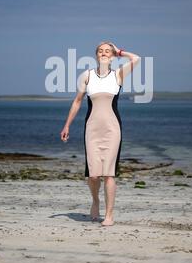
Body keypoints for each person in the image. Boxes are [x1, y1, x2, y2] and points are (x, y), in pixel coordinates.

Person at [60, 42, 140, 226]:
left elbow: (136, 59)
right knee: (94, 175)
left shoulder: (118, 74)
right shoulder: (87, 76)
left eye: (107, 51)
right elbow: (77, 102)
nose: (104, 54)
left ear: (112, 56)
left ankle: (109, 215)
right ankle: (95, 201)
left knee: (109, 174)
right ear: (96, 55)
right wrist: (67, 126)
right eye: (101, 51)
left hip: (112, 129)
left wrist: (119, 51)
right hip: (92, 129)